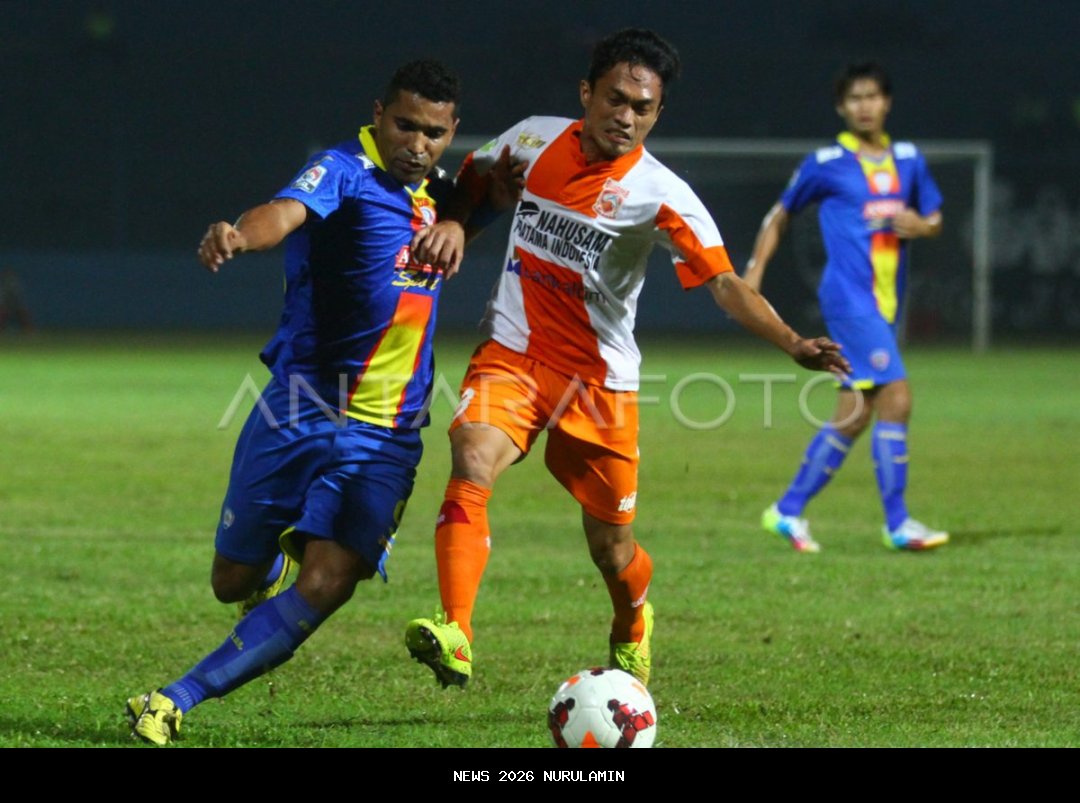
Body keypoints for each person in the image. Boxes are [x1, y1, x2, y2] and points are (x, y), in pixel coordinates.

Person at [402, 29, 849, 691]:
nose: (627, 115)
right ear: (588, 93)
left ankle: (632, 619)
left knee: (612, 548)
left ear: (658, 113)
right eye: (616, 98)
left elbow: (725, 282)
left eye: (643, 107)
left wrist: (793, 342)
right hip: (515, 353)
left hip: (599, 384)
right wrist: (457, 225)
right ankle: (457, 631)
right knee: (471, 454)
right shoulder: (532, 139)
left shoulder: (661, 193)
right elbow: (474, 182)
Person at [125, 59, 461, 745]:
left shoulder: (444, 195)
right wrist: (240, 235)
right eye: (404, 125)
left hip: (389, 431)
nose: (416, 144)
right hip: (299, 406)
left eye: (433, 132)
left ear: (451, 132)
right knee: (232, 579)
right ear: (378, 114)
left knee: (331, 578)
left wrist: (460, 222)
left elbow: (488, 193)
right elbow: (283, 212)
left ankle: (174, 698)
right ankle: (266, 561)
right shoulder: (341, 169)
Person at [743, 62, 947, 553]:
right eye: (854, 98)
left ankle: (787, 511)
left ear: (886, 102)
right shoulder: (827, 161)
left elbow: (935, 218)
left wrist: (921, 226)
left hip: (885, 302)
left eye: (872, 96)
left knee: (855, 413)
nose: (864, 106)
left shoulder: (909, 159)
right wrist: (753, 271)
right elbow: (780, 214)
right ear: (842, 107)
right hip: (849, 299)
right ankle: (897, 524)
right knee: (896, 397)